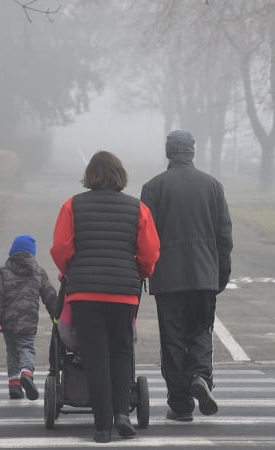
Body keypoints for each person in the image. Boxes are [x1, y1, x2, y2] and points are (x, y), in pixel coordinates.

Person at [50, 150, 160, 443]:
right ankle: (123, 414)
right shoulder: (138, 209)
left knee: (95, 356)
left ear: (90, 176)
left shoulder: (72, 206)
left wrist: (72, 270)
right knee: (122, 351)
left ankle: (102, 427)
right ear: (119, 176)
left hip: (84, 293)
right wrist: (139, 272)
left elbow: (61, 248)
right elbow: (149, 253)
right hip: (124, 292)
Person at [140, 129, 233, 422]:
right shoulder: (213, 186)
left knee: (172, 339)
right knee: (200, 331)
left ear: (169, 152)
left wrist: (144, 271)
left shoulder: (153, 188)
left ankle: (180, 404)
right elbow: (224, 237)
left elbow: (146, 237)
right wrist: (221, 274)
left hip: (168, 279)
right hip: (204, 274)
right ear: (192, 151)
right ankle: (201, 376)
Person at [0, 234, 57, 401]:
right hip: (28, 319)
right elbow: (50, 296)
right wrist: (57, 316)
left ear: (12, 252)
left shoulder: (2, 271)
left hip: (7, 321)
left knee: (12, 350)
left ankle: (14, 385)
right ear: (32, 253)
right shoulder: (39, 272)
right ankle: (26, 372)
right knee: (26, 347)